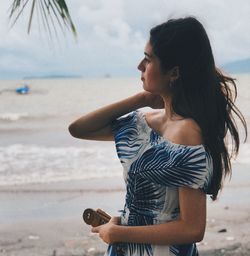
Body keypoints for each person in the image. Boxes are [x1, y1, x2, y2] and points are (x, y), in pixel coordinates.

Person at [68, 17, 247, 256]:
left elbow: (192, 228)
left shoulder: (187, 133)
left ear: (173, 72)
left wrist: (117, 233)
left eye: (148, 59)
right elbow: (79, 129)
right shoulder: (144, 123)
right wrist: (140, 99)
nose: (139, 66)